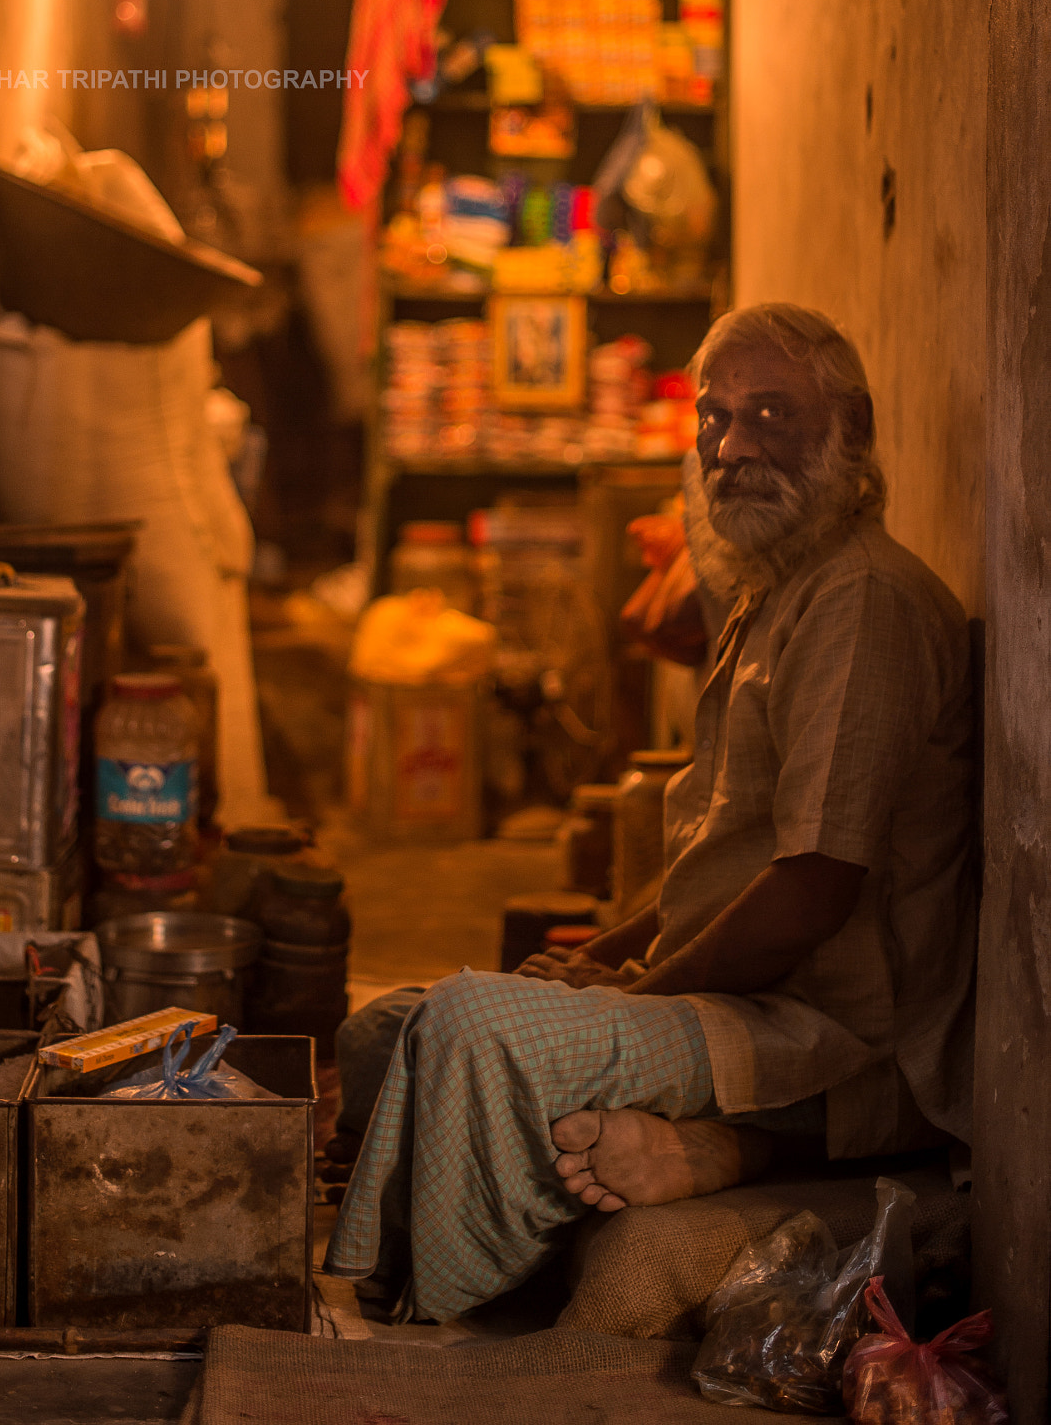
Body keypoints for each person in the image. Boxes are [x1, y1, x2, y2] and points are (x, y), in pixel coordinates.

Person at [324, 303, 976, 1325]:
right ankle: (648, 1153)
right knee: (378, 1032)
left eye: (770, 413)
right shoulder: (773, 593)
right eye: (714, 419)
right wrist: (604, 951)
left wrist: (637, 995)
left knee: (463, 1025)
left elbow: (811, 886)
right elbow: (715, 857)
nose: (734, 444)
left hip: (833, 1036)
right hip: (738, 1001)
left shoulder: (860, 601)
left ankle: (483, 1282)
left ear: (850, 428)